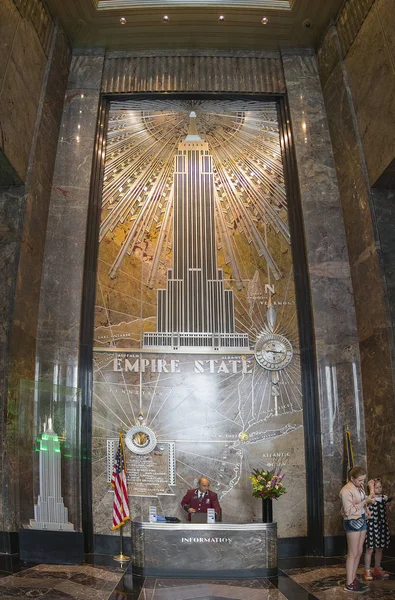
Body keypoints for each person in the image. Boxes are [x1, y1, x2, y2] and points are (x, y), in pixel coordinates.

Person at [340, 466, 376, 593]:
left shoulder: (358, 487)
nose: (362, 483)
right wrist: (364, 502)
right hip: (352, 521)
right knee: (352, 553)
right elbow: (348, 511)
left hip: (361, 519)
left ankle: (353, 578)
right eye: (360, 480)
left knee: (359, 551)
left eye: (363, 480)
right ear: (352, 478)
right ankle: (349, 583)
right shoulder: (346, 490)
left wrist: (366, 509)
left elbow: (363, 501)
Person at [364, 477, 391, 580]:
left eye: (380, 487)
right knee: (370, 549)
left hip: (381, 526)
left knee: (380, 549)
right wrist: (371, 489)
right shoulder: (368, 498)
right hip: (371, 526)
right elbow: (371, 500)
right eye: (376, 487)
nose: (379, 489)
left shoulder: (383, 498)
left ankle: (377, 568)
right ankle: (367, 570)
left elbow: (386, 498)